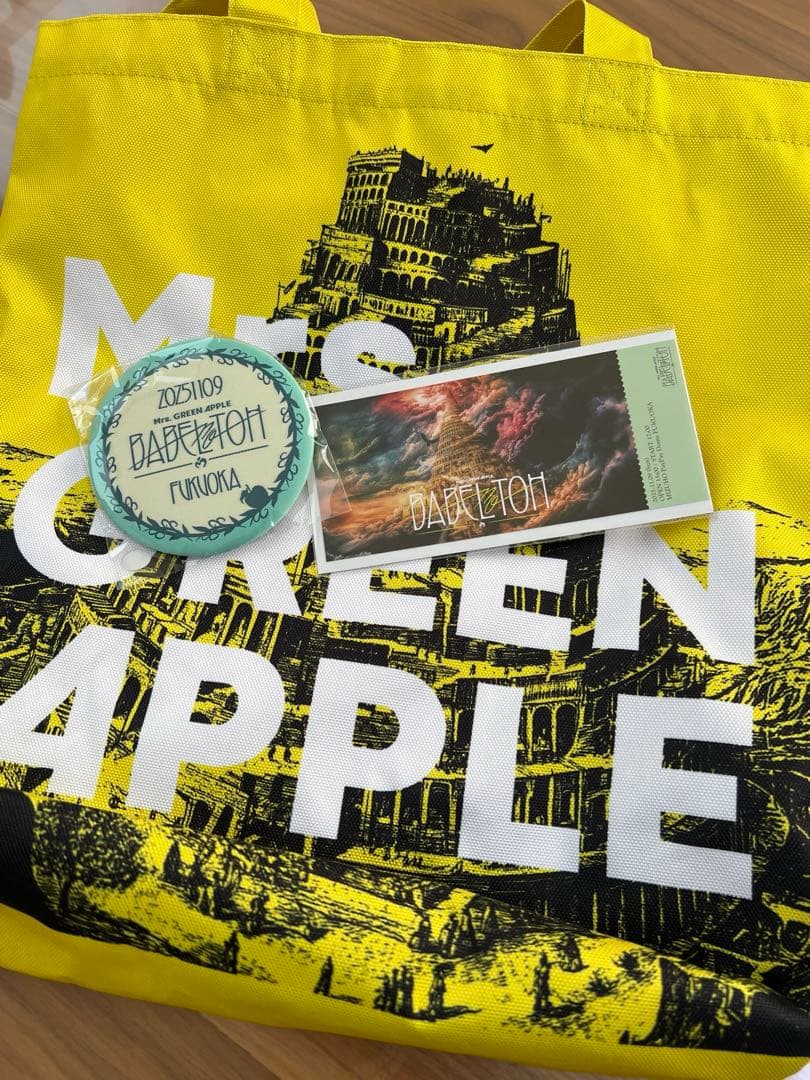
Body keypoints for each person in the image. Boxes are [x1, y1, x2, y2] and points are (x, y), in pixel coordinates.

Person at [532, 951, 551, 1019]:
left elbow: (544, 976)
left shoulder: (544, 968)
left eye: (542, 959)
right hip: (539, 983)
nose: (540, 960)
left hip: (542, 984)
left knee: (543, 996)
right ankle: (538, 1010)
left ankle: (544, 1010)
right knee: (539, 997)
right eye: (540, 959)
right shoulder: (538, 967)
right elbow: (536, 976)